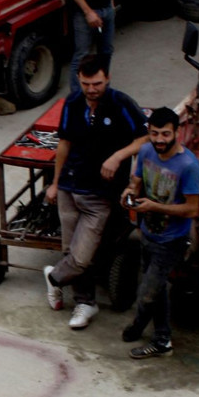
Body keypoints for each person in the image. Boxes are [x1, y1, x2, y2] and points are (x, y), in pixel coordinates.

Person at [44, 55, 147, 328]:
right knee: (70, 250)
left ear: (108, 79)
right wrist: (55, 183)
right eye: (87, 83)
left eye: (97, 83)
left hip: (99, 194)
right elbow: (64, 144)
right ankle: (84, 303)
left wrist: (118, 156)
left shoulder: (121, 104)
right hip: (69, 186)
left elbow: (145, 137)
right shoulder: (73, 103)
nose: (92, 89)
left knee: (81, 256)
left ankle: (53, 277)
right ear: (79, 80)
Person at [120, 107, 199, 359]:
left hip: (171, 241)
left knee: (147, 294)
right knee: (156, 290)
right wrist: (129, 192)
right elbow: (136, 181)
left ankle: (157, 339)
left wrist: (154, 206)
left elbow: (192, 209)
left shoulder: (188, 166)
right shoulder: (146, 151)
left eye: (165, 134)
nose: (159, 140)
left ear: (177, 132)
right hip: (148, 233)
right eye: (154, 134)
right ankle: (157, 334)